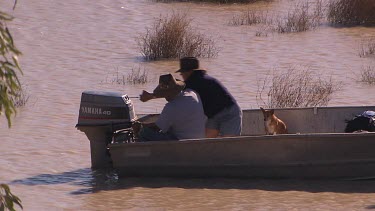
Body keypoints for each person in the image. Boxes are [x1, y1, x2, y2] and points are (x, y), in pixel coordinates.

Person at [176, 57, 242, 138]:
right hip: (213, 115)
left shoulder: (194, 82)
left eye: (182, 73)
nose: (182, 75)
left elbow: (179, 92)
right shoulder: (200, 78)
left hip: (228, 114)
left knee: (228, 143)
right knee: (207, 143)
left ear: (188, 72)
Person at [134, 74, 206, 142]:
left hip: (181, 141)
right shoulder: (192, 93)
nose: (164, 97)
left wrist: (141, 125)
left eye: (164, 94)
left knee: (144, 132)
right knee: (169, 126)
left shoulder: (171, 107)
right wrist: (151, 96)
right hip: (199, 137)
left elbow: (157, 127)